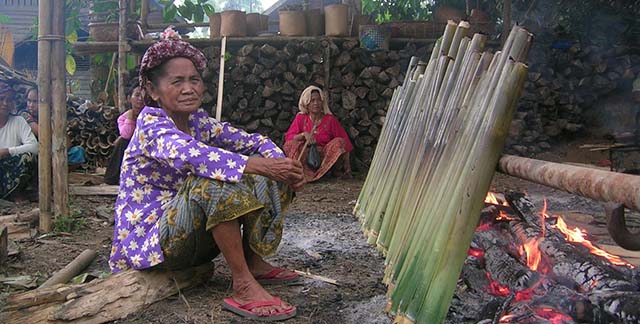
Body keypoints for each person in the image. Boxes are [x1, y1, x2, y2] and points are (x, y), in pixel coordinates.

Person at [108, 27, 305, 321]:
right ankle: (242, 284)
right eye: (177, 81)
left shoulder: (199, 121)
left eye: (194, 80)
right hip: (154, 246)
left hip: (192, 240)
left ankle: (253, 261)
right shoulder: (150, 124)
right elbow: (192, 154)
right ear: (152, 90)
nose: (189, 88)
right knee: (212, 178)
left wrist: (281, 164)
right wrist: (259, 165)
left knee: (263, 171)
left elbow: (254, 141)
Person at [284, 85, 353, 182]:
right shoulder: (301, 118)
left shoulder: (330, 119)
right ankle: (300, 174)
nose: (316, 103)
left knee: (339, 141)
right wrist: (303, 135)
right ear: (306, 103)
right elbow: (289, 137)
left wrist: (347, 168)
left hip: (325, 157)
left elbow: (345, 141)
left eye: (319, 100)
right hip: (306, 157)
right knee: (290, 144)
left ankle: (324, 172)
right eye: (312, 100)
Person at [20, 87, 86, 166]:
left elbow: (67, 143)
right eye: (29, 101)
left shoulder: (50, 116)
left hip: (53, 151)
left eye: (35, 102)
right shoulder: (24, 115)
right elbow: (42, 134)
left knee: (78, 151)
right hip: (37, 152)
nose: (31, 105)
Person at [0, 81, 38, 202]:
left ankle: (14, 193)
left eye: (9, 100)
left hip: (10, 171)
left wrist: (7, 151)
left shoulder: (19, 121)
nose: (5, 103)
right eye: (1, 99)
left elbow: (34, 147)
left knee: (28, 157)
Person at [103, 85, 144, 185]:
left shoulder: (151, 114)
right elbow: (126, 135)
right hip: (131, 147)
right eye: (137, 95)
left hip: (145, 145)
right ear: (129, 98)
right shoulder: (123, 118)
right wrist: (130, 119)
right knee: (122, 142)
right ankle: (113, 178)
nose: (140, 99)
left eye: (143, 96)